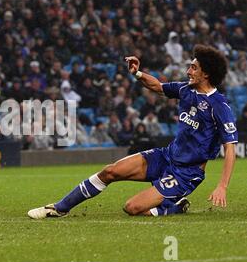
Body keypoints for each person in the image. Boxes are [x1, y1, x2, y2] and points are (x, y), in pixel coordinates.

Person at [28, 44, 237, 218]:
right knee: (110, 171)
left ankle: (173, 207)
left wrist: (222, 186)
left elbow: (230, 148)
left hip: (186, 173)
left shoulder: (219, 106)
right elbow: (157, 86)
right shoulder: (185, 89)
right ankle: (59, 208)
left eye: (193, 68)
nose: (188, 71)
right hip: (166, 156)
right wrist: (137, 72)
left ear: (206, 73)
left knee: (133, 208)